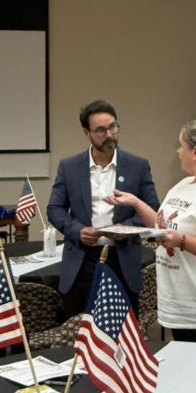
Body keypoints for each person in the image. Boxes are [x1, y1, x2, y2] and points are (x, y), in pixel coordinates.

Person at [108, 120, 196, 345]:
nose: (177, 151)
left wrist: (182, 241)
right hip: (180, 307)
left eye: (181, 145)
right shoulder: (184, 184)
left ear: (195, 152)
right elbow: (165, 226)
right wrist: (135, 203)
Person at [48, 100, 159, 318]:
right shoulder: (69, 167)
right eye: (101, 130)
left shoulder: (138, 166)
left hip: (122, 258)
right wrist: (77, 230)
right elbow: (54, 209)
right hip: (82, 260)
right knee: (81, 329)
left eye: (113, 127)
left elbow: (152, 208)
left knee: (123, 332)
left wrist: (123, 228)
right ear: (86, 132)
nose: (110, 135)